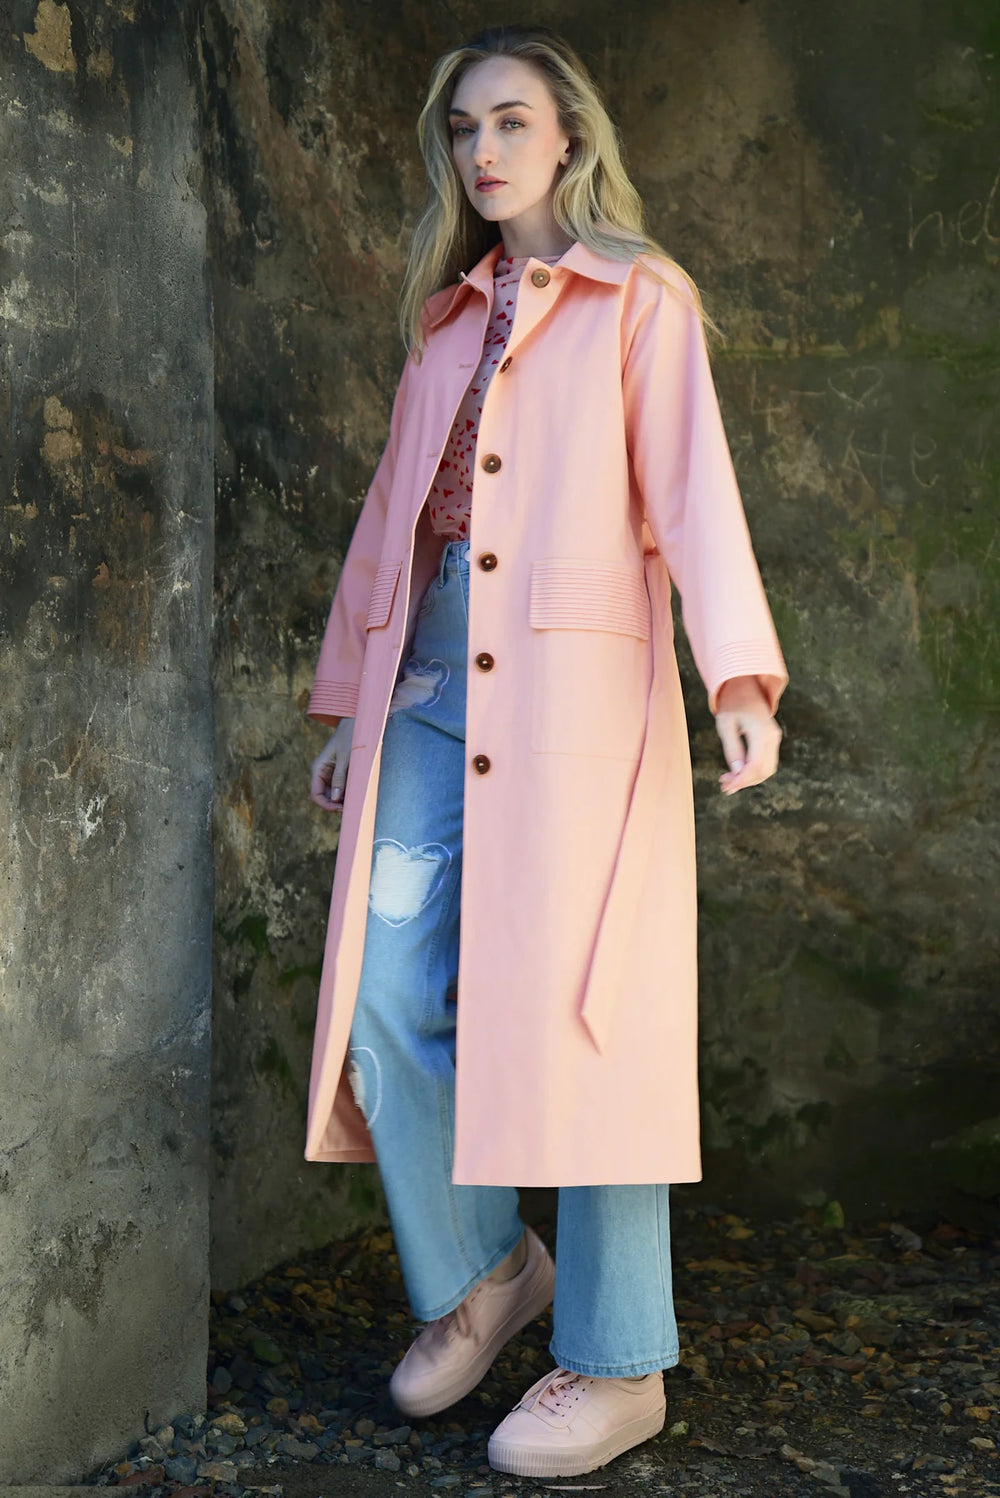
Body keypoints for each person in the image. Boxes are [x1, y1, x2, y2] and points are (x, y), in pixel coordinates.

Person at [305, 23, 787, 1479]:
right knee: (385, 990)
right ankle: (484, 1274)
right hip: (429, 677)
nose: (486, 149)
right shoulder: (445, 321)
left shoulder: (641, 297)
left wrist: (736, 674)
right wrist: (352, 706)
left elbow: (693, 490)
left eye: (512, 120)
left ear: (569, 135)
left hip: (576, 689)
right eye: (464, 129)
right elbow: (395, 520)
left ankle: (620, 1361)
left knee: (591, 1010)